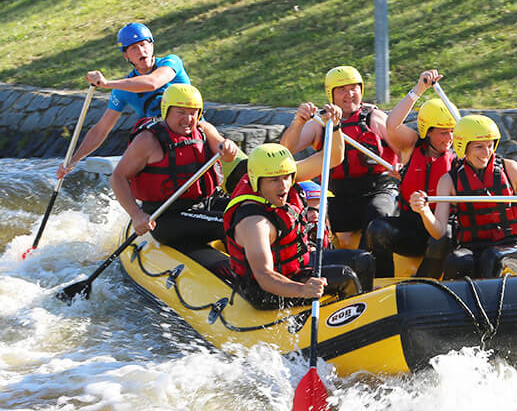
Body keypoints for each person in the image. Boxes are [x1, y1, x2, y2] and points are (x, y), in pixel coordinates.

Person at [223, 142, 375, 310]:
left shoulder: (279, 178)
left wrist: (335, 125)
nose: (284, 186)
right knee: (344, 277)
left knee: (363, 260)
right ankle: (347, 320)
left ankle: (363, 309)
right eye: (274, 180)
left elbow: (334, 156)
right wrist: (303, 290)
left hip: (298, 266)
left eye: (287, 177)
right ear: (256, 180)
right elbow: (264, 276)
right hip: (266, 290)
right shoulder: (254, 223)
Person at [412, 114, 517, 279]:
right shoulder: (448, 181)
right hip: (473, 247)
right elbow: (438, 232)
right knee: (456, 261)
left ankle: (489, 301)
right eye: (479, 147)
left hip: (513, 247)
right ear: (463, 147)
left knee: (492, 257)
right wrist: (423, 211)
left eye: (490, 145)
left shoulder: (510, 169)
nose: (486, 152)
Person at [279, 65, 399, 249]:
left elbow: (404, 148)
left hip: (379, 190)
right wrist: (299, 121)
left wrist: (401, 167)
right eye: (342, 90)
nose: (349, 94)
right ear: (331, 94)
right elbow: (287, 147)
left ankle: (382, 274)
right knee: (336, 229)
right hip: (341, 194)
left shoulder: (374, 118)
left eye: (354, 89)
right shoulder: (320, 123)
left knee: (377, 220)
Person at [109, 84, 239, 253]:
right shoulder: (147, 141)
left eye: (193, 112)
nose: (188, 119)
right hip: (167, 216)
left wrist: (228, 148)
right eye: (181, 112)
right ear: (166, 111)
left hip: (206, 204)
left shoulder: (204, 130)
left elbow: (226, 153)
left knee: (251, 212)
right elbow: (118, 177)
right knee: (234, 223)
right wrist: (136, 215)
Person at [58, 22, 192, 179]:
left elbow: (152, 83)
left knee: (211, 133)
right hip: (160, 144)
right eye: (134, 48)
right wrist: (72, 161)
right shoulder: (123, 89)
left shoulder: (171, 62)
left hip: (192, 129)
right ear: (126, 56)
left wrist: (107, 84)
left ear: (152, 45)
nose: (141, 51)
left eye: (144, 44)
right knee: (118, 176)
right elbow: (101, 129)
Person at [365, 69, 455, 278]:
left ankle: (422, 285)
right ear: (427, 131)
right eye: (443, 132)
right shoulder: (410, 147)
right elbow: (392, 124)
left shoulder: (460, 154)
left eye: (452, 131)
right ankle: (383, 283)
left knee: (444, 236)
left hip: (441, 227)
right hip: (411, 227)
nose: (449, 137)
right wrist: (419, 89)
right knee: (376, 229)